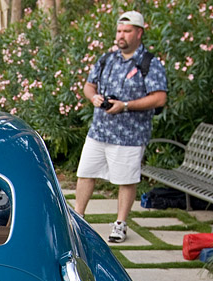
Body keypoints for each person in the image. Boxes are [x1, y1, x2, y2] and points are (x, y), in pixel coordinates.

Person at [74, 10, 167, 243]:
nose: (121, 35)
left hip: (130, 135)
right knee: (85, 174)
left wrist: (125, 105)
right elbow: (88, 85)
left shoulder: (149, 63)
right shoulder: (106, 59)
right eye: (118, 31)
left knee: (126, 180)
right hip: (99, 131)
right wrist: (93, 97)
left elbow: (159, 98)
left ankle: (120, 224)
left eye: (126, 31)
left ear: (139, 33)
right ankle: (78, 217)